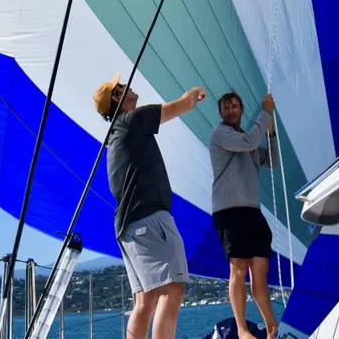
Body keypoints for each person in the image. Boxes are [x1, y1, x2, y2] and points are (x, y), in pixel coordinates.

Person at [93, 73, 206, 339]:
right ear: (118, 97)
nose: (129, 86)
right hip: (150, 219)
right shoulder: (131, 120)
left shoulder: (115, 136)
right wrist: (195, 93)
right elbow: (179, 106)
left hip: (127, 226)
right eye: (122, 86)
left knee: (145, 300)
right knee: (173, 290)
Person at [208, 91, 279, 339]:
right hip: (229, 212)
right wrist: (266, 111)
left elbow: (272, 161)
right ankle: (242, 329)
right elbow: (249, 142)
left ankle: (271, 327)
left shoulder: (246, 140)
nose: (230, 110)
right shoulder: (221, 135)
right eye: (226, 108)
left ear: (241, 110)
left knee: (260, 268)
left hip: (252, 211)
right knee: (237, 269)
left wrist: (270, 132)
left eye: (234, 106)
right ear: (221, 113)